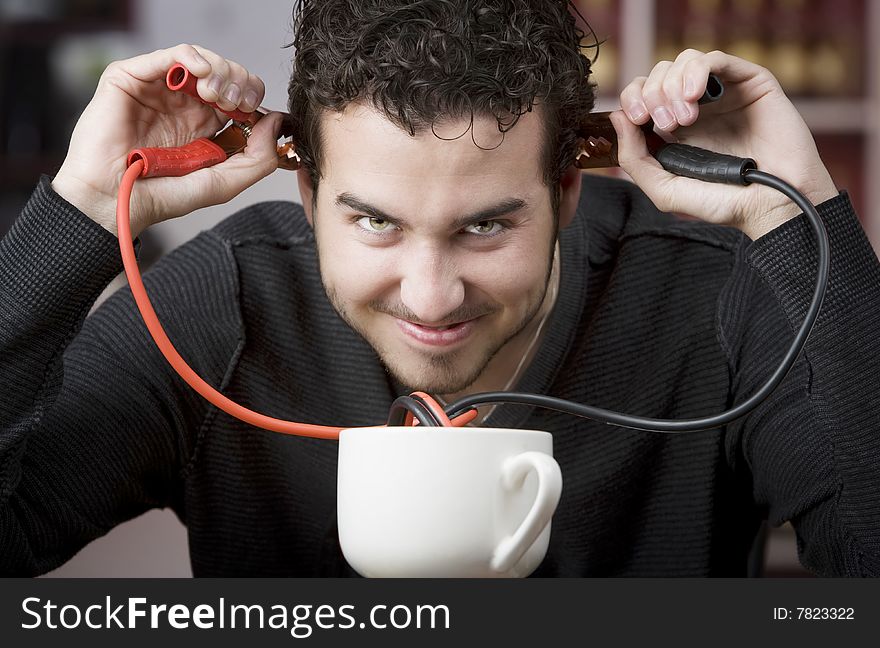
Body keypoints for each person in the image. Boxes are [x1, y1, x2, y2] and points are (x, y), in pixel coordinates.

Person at [1, 0, 878, 577]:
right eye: (374, 221)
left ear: (567, 188)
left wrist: (804, 219)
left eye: (485, 226)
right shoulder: (221, 306)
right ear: (305, 191)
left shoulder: (712, 299)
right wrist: (80, 212)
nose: (429, 297)